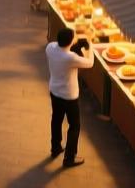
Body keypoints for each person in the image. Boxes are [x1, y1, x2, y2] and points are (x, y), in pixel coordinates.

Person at [46, 26, 93, 168]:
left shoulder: (50, 48)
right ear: (69, 42)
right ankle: (69, 158)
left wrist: (74, 42)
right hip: (69, 96)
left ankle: (55, 148)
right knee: (74, 125)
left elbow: (63, 46)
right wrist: (90, 45)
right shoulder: (70, 58)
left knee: (56, 119)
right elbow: (89, 63)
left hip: (55, 91)